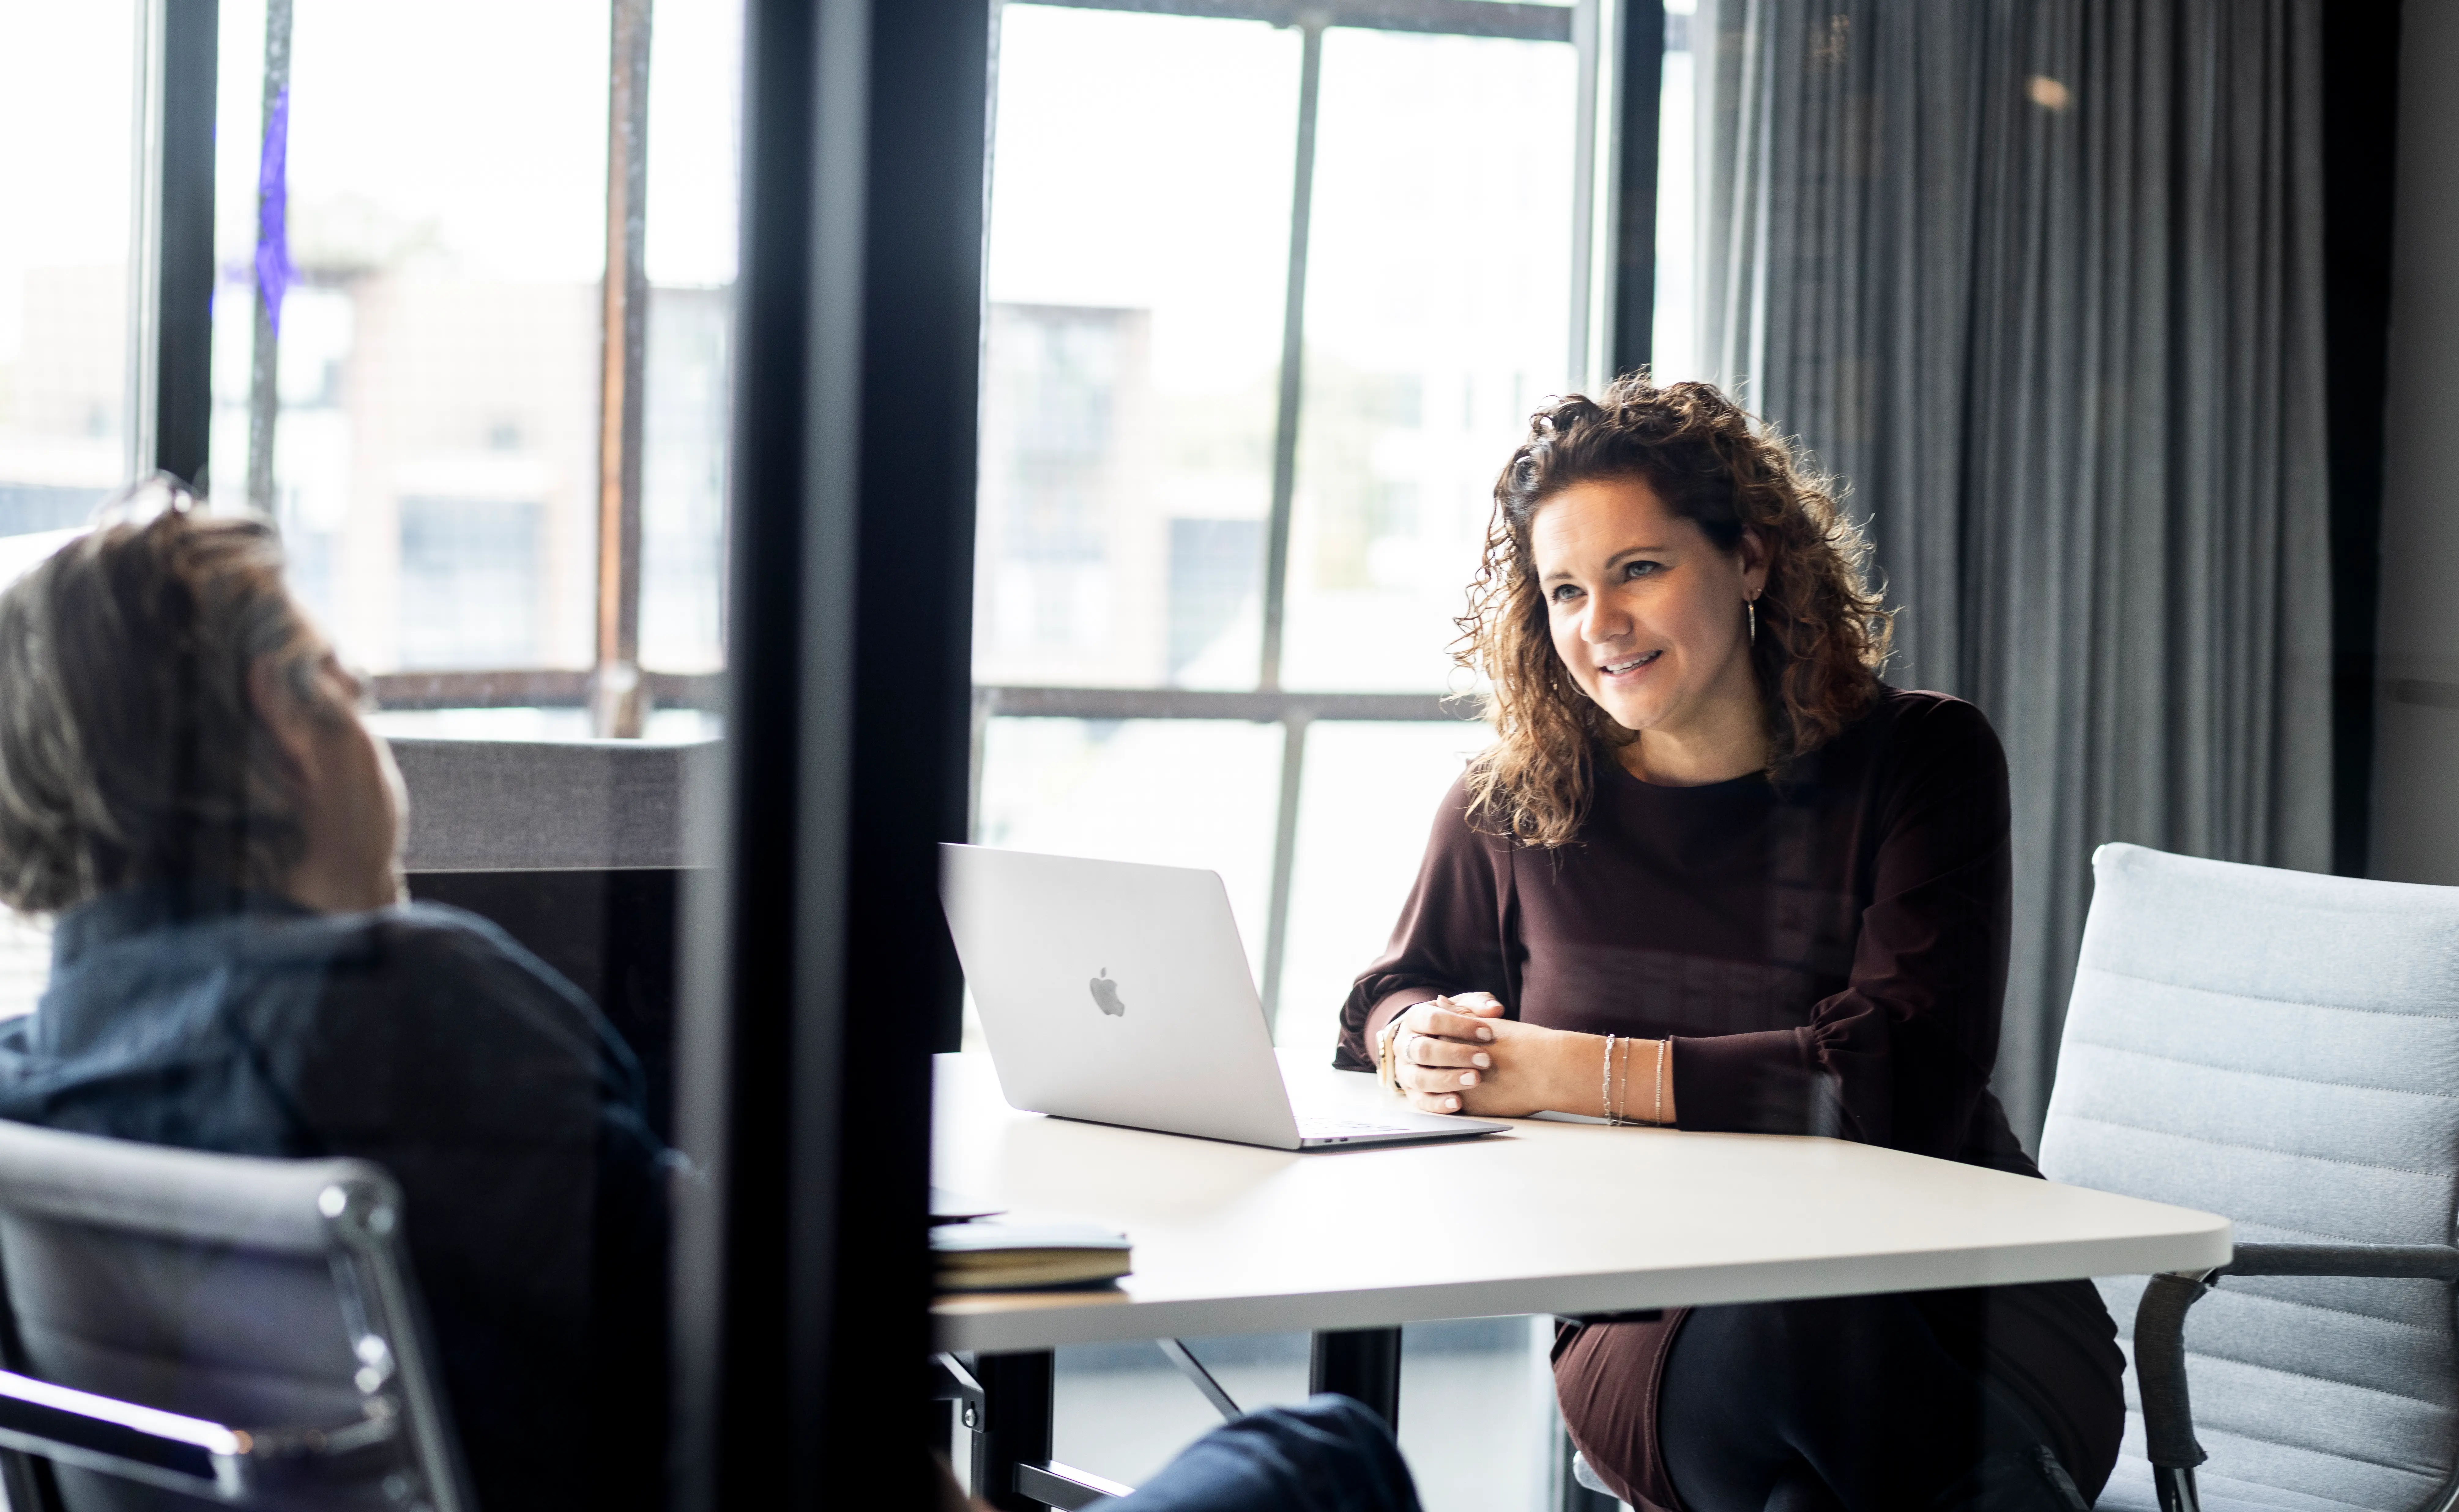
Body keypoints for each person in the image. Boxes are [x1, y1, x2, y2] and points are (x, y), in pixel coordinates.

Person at [0, 489, 1425, 1512]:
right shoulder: (409, 1008)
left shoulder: (36, 1090)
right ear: (277, 721)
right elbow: (776, 1368)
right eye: (345, 687)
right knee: (1320, 1453)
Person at [1335, 377, 2125, 1512]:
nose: (1597, 625)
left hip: (1960, 1303)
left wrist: (1573, 1068)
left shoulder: (1922, 759)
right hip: (1653, 1323)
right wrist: (1412, 1037)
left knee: (1806, 1443)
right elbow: (1388, 991)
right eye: (1563, 590)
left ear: (1751, 560)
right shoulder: (1512, 803)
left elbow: (1897, 1077)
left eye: (1637, 570)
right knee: (1790, 1326)